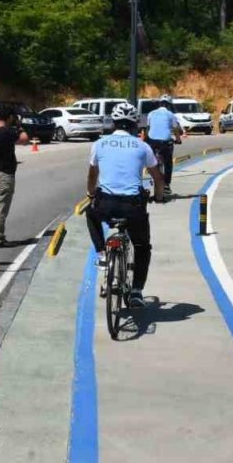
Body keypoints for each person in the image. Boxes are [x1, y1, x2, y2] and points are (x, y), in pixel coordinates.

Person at [86, 103, 166, 308]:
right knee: (142, 247)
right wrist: (158, 197)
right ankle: (137, 291)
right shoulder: (142, 146)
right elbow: (158, 178)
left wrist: (91, 193)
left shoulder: (100, 144)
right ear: (134, 125)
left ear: (113, 123)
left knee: (90, 213)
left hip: (106, 204)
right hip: (133, 206)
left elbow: (92, 174)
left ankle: (103, 254)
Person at [0, 107, 29, 248]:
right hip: (5, 174)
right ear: (9, 117)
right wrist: (20, 127)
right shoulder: (8, 132)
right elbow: (24, 140)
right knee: (1, 206)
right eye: (13, 117)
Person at [144, 96, 182, 196]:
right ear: (169, 105)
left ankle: (152, 175)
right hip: (165, 142)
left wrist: (146, 140)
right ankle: (166, 184)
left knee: (150, 161)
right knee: (168, 162)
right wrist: (178, 140)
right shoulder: (171, 115)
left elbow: (148, 128)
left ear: (160, 104)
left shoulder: (151, 113)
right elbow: (175, 129)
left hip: (152, 141)